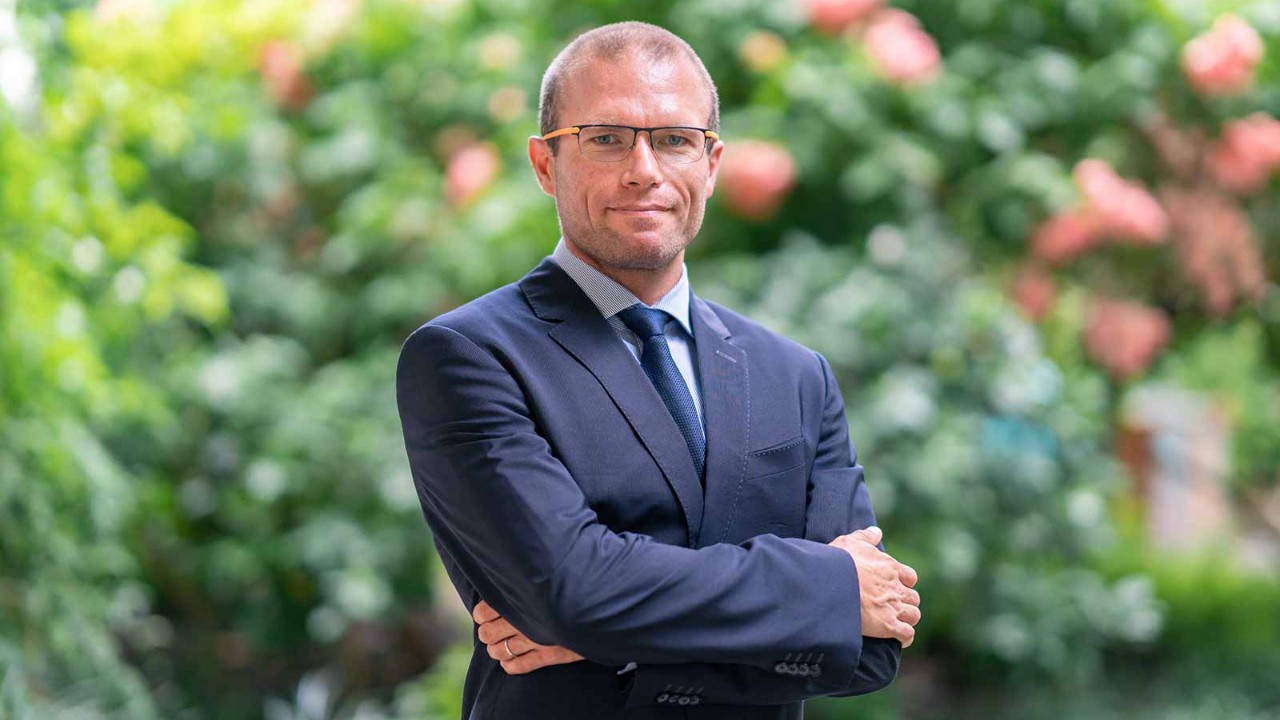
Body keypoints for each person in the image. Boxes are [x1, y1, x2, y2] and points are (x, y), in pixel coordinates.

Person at [396, 21, 921, 719]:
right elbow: (575, 592)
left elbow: (874, 646)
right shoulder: (467, 356)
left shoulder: (795, 377)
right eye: (607, 139)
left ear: (711, 163)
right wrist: (824, 593)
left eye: (674, 139)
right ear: (545, 164)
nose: (644, 169)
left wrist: (612, 639)